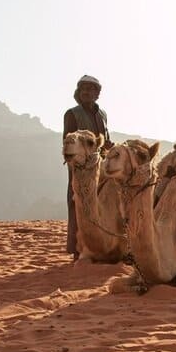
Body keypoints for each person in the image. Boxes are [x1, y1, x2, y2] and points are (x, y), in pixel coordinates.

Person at [64, 74, 112, 261]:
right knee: (78, 204)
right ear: (79, 92)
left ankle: (99, 245)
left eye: (91, 89)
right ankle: (77, 249)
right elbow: (67, 143)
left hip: (101, 167)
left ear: (97, 94)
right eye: (84, 89)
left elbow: (104, 140)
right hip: (80, 169)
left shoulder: (103, 115)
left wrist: (108, 147)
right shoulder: (72, 114)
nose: (87, 92)